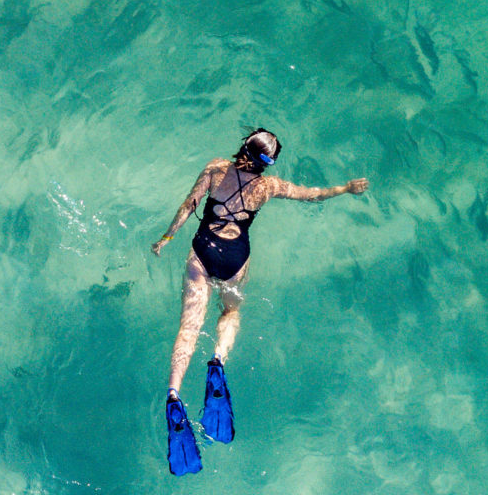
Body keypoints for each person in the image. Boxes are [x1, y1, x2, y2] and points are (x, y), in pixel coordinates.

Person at [151, 128, 369, 474]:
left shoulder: (215, 169)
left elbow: (188, 205)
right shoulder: (267, 187)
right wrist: (344, 188)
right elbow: (309, 195)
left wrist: (166, 238)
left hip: (203, 251)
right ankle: (218, 360)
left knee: (189, 327)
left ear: (244, 146)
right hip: (235, 259)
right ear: (267, 162)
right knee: (230, 311)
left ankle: (174, 393)